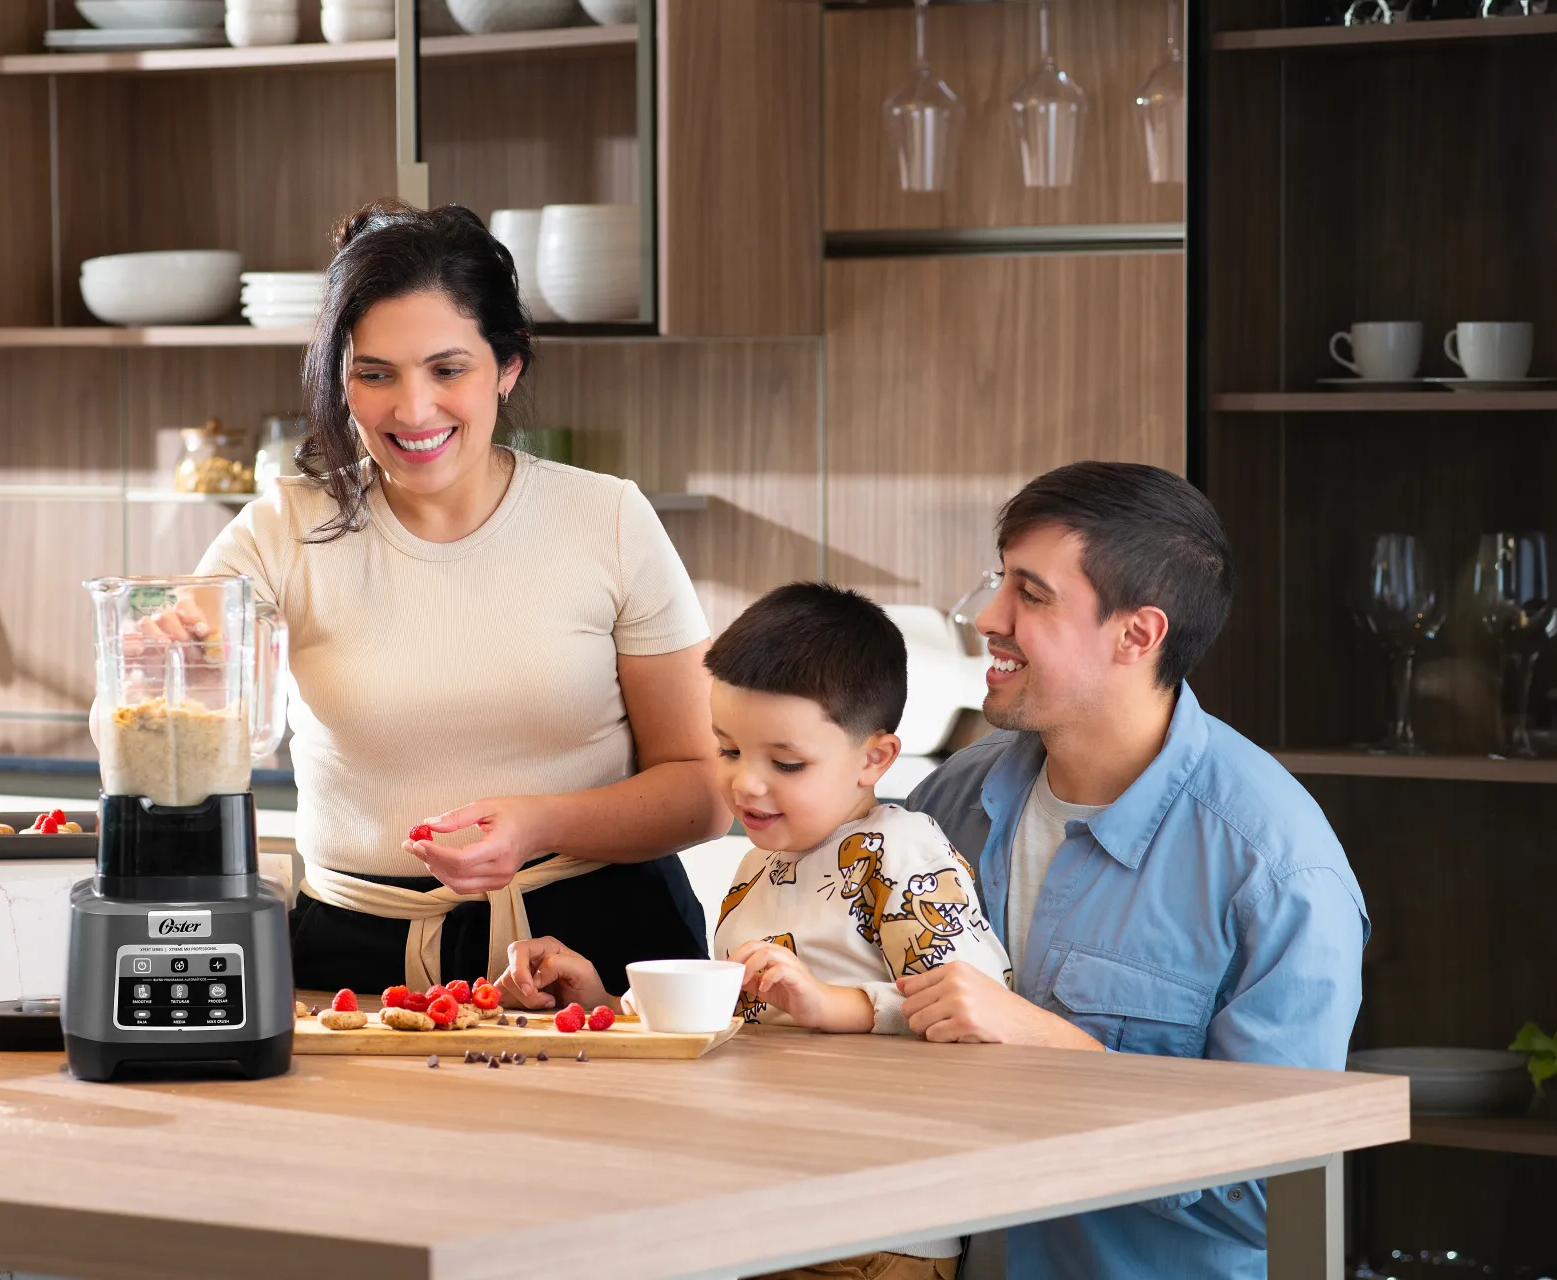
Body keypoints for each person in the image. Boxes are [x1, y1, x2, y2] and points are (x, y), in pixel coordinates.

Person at [198, 198, 732, 997]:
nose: (413, 410)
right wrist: (173, 660)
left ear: (507, 365)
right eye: (374, 374)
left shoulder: (609, 519)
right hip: (351, 963)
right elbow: (161, 713)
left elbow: (701, 791)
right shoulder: (279, 531)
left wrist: (541, 822)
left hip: (597, 945)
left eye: (448, 370)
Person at [899, 461, 1369, 1280]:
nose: (987, 618)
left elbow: (1279, 1194)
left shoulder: (1276, 870)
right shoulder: (945, 805)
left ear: (1138, 635)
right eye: (999, 581)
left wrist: (1063, 1056)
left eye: (1030, 595)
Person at [503, 582, 1013, 1280]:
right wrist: (598, 1001)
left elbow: (977, 1010)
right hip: (762, 1212)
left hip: (875, 1233)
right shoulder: (756, 868)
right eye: (727, 750)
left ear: (874, 759)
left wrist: (831, 1005)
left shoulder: (904, 853)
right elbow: (740, 1026)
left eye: (786, 763)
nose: (746, 784)